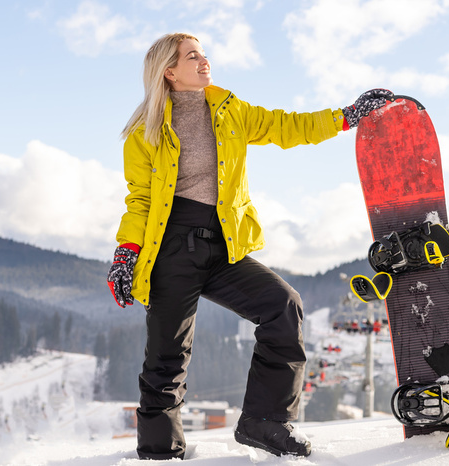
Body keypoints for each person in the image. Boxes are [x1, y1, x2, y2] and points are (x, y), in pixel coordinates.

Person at [106, 32, 393, 460]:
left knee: (283, 305)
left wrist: (347, 115)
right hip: (171, 249)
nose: (204, 61)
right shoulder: (144, 131)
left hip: (223, 246)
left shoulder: (230, 111)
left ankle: (264, 422)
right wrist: (126, 251)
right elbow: (140, 200)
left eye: (204, 54)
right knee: (167, 355)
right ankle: (159, 450)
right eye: (192, 57)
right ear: (169, 71)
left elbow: (287, 126)